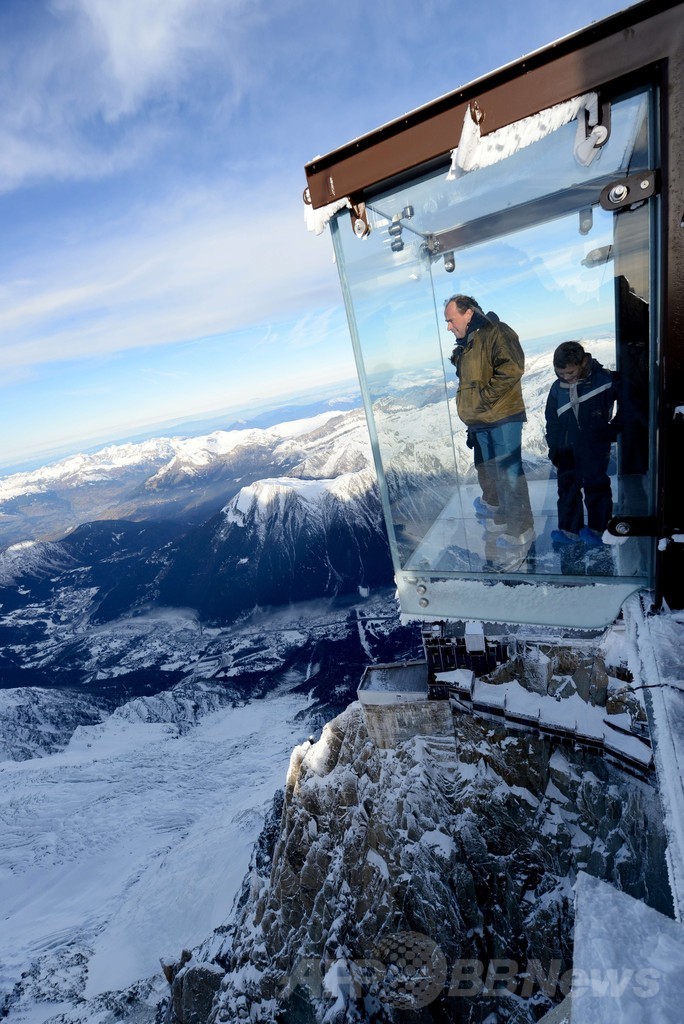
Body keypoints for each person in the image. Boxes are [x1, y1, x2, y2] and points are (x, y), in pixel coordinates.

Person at [445, 294, 534, 569]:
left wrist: (483, 399)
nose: (448, 327)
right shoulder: (469, 342)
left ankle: (520, 529)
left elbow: (512, 368)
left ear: (468, 313)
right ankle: (503, 517)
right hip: (481, 420)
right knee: (491, 471)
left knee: (509, 473)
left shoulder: (497, 332)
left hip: (502, 416)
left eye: (451, 320)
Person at [545, 341, 621, 547]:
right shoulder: (557, 388)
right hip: (566, 448)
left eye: (570, 372)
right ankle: (570, 530)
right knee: (567, 488)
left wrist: (613, 429)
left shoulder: (603, 380)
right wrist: (554, 448)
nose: (565, 377)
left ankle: (599, 529)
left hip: (594, 445)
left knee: (596, 486)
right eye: (560, 373)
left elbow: (630, 403)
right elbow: (551, 420)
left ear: (583, 362)